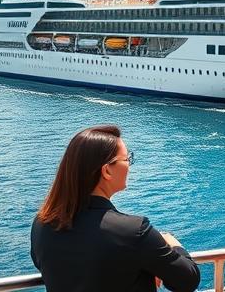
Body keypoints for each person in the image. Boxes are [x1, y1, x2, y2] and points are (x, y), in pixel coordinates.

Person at [30, 125, 200, 292]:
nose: (129, 165)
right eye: (127, 159)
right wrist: (171, 243)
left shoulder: (42, 223)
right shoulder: (134, 231)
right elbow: (188, 280)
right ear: (107, 171)